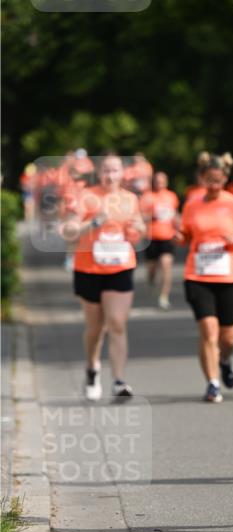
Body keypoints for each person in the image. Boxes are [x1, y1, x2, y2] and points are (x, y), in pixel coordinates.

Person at [62, 153, 146, 400]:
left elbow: (138, 228)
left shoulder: (130, 199)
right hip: (89, 268)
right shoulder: (85, 197)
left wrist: (137, 230)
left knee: (117, 323)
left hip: (120, 266)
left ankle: (119, 381)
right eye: (106, 171)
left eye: (116, 171)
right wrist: (93, 223)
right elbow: (69, 231)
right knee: (95, 328)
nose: (111, 176)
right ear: (99, 173)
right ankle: (92, 368)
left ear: (123, 173)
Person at [180, 153, 233, 402]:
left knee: (228, 338)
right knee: (208, 333)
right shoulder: (192, 204)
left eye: (218, 180)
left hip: (229, 275)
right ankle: (212, 383)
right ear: (202, 178)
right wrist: (178, 237)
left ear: (224, 178)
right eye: (209, 180)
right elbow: (186, 235)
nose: (214, 185)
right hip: (198, 275)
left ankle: (224, 360)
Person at [140, 171, 180, 309]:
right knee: (151, 268)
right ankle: (151, 281)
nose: (159, 184)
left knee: (166, 264)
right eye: (157, 181)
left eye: (162, 181)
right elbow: (140, 217)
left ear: (166, 182)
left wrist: (179, 227)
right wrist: (153, 215)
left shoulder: (171, 196)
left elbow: (175, 215)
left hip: (167, 237)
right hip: (151, 237)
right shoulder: (147, 196)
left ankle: (164, 296)